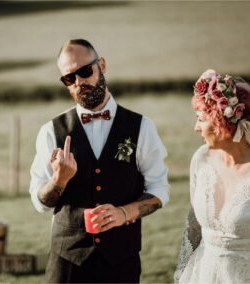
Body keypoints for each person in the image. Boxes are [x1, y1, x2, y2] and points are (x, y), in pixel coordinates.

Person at [29, 39, 169, 283]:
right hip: (66, 264)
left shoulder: (141, 127)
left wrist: (124, 214)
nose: (79, 82)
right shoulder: (51, 131)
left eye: (84, 71)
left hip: (121, 262)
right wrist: (58, 181)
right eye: (69, 78)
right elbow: (40, 202)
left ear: (101, 65)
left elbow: (159, 190)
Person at [174, 69, 250, 283]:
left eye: (201, 119)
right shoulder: (201, 159)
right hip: (203, 275)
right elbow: (193, 226)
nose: (196, 127)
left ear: (221, 121)